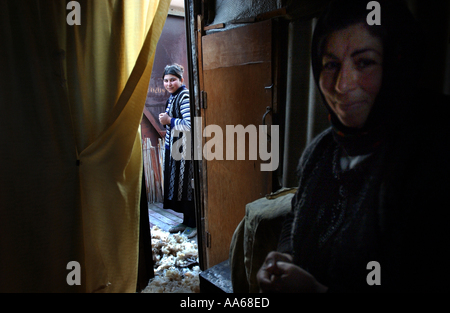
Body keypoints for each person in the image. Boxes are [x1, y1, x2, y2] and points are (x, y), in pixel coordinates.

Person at [257, 0, 450, 292]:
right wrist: (286, 255)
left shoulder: (434, 158)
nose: (341, 85)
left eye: (365, 62)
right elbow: (298, 212)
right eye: (331, 65)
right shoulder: (322, 150)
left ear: (399, 63)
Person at [159, 64, 197, 239]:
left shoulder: (184, 96)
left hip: (184, 150)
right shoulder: (174, 96)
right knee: (179, 187)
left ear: (181, 80)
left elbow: (190, 125)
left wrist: (169, 121)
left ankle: (193, 224)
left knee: (187, 188)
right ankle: (185, 221)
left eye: (173, 80)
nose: (169, 83)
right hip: (175, 148)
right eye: (166, 80)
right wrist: (167, 121)